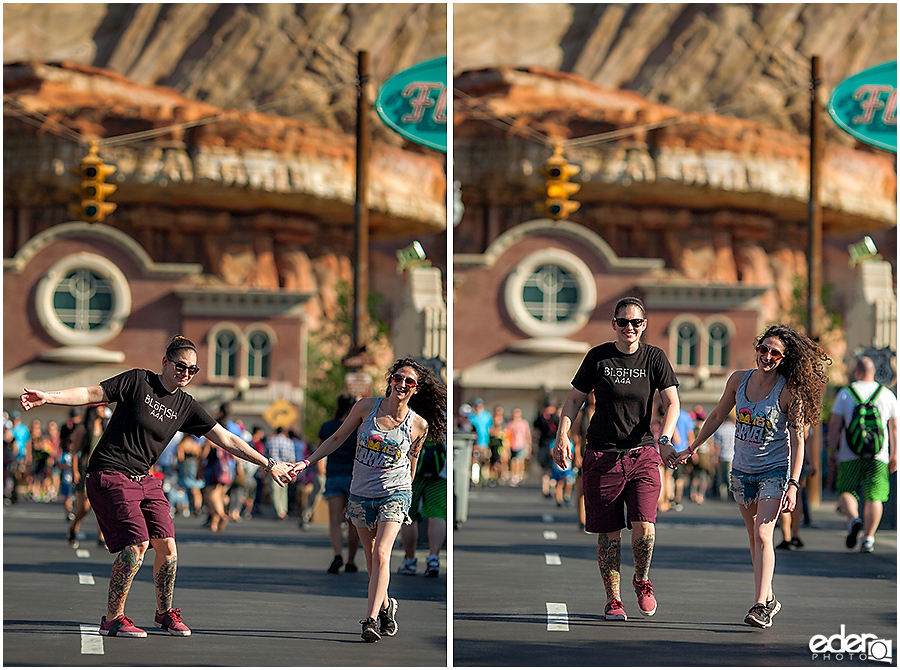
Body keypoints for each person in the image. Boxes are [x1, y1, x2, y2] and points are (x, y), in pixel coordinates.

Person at [18, 334, 296, 639]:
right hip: (109, 472)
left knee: (168, 547)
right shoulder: (138, 381)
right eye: (181, 366)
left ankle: (164, 614)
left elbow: (227, 439)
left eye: (193, 370)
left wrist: (269, 464)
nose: (186, 373)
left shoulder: (185, 405)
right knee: (136, 545)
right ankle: (113, 618)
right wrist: (48, 396)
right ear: (165, 362)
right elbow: (91, 392)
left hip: (144, 478)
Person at [677, 324, 830, 629]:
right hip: (741, 470)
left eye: (776, 353)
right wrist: (692, 447)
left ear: (784, 359)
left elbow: (798, 441)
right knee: (753, 537)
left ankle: (760, 605)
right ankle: (769, 597)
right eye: (764, 349)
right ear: (757, 348)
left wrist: (794, 484)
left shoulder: (789, 391)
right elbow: (718, 414)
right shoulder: (738, 380)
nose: (768, 356)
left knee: (763, 534)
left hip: (774, 471)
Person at [292, 358, 446, 643]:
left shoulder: (418, 425)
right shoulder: (365, 407)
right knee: (372, 558)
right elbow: (337, 438)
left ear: (416, 389)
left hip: (395, 494)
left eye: (408, 382)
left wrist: (405, 498)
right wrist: (308, 461)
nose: (401, 384)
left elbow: (411, 464)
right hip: (361, 493)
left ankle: (370, 620)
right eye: (397, 378)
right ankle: (387, 605)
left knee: (382, 554)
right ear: (390, 380)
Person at [555, 297, 681, 621]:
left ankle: (641, 580)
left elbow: (673, 402)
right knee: (609, 534)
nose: (629, 328)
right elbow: (573, 401)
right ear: (613, 324)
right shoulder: (598, 358)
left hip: (642, 454)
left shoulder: (655, 358)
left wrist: (665, 439)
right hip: (603, 455)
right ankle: (613, 599)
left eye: (636, 323)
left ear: (644, 326)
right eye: (623, 322)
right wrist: (562, 434)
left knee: (646, 527)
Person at [827, 356, 897, 554]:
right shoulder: (887, 394)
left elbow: (834, 425)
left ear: (856, 371)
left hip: (850, 453)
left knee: (846, 489)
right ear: (873, 372)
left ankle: (853, 519)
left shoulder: (845, 394)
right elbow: (894, 428)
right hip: (879, 455)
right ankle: (868, 538)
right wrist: (895, 455)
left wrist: (832, 450)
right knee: (875, 496)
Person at [318, 394, 360, 574]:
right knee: (354, 521)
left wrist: (321, 470)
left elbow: (320, 451)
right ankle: (351, 560)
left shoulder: (327, 426)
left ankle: (337, 555)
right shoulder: (358, 428)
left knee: (334, 520)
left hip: (334, 474)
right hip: (355, 477)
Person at [398, 433, 447, 578]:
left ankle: (410, 560)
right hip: (439, 468)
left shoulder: (413, 410)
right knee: (436, 513)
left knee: (408, 515)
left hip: (412, 467)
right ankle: (433, 559)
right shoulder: (444, 412)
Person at [67, 405, 108, 549]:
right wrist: (75, 472)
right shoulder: (82, 429)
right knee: (84, 507)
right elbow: (74, 452)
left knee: (102, 506)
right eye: (101, 407)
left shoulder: (105, 428)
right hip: (85, 471)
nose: (104, 409)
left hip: (101, 472)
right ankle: (74, 528)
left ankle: (101, 537)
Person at [265, 426, 295, 520]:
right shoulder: (289, 442)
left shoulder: (271, 441)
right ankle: (284, 510)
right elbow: (292, 457)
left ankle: (278, 511)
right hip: (286, 468)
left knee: (275, 490)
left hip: (274, 468)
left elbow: (267, 455)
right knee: (284, 490)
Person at [534, 401, 559, 499]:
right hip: (551, 445)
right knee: (549, 468)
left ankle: (547, 488)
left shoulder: (541, 417)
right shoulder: (555, 418)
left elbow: (535, 432)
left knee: (546, 469)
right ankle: (549, 488)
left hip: (546, 445)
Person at [469, 398, 492, 486]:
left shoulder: (487, 416)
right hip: (475, 443)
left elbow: (490, 428)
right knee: (474, 460)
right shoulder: (472, 417)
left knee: (484, 460)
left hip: (484, 442)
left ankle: (484, 477)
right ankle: (475, 478)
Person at [506, 407, 531, 487]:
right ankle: (514, 476)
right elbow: (507, 434)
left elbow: (527, 434)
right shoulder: (511, 424)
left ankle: (520, 475)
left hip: (521, 444)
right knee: (514, 461)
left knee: (520, 460)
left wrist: (528, 444)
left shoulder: (524, 423)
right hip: (513, 444)